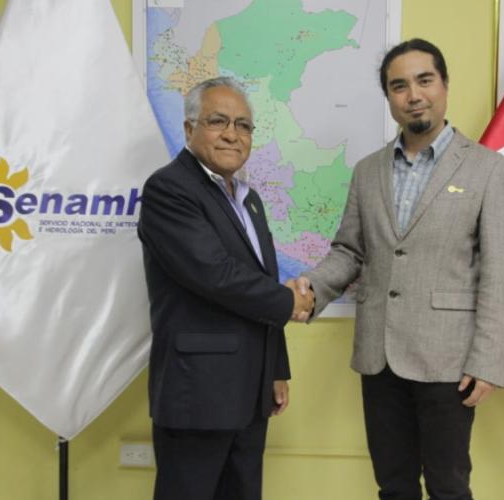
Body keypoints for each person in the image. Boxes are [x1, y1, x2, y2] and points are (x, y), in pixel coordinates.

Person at [296, 39, 504, 500]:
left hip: (448, 361)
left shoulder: (488, 169)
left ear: (445, 85)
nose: (413, 95)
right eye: (399, 86)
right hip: (379, 357)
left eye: (424, 80)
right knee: (393, 486)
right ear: (389, 97)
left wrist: (488, 361)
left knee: (448, 487)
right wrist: (311, 289)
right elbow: (349, 251)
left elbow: (498, 271)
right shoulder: (367, 171)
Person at [137, 76, 314, 500]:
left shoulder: (248, 199)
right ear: (189, 129)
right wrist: (289, 300)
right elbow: (214, 273)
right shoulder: (169, 189)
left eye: (243, 125)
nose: (233, 134)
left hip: (250, 393)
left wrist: (275, 369)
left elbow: (259, 281)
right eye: (218, 121)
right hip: (198, 393)